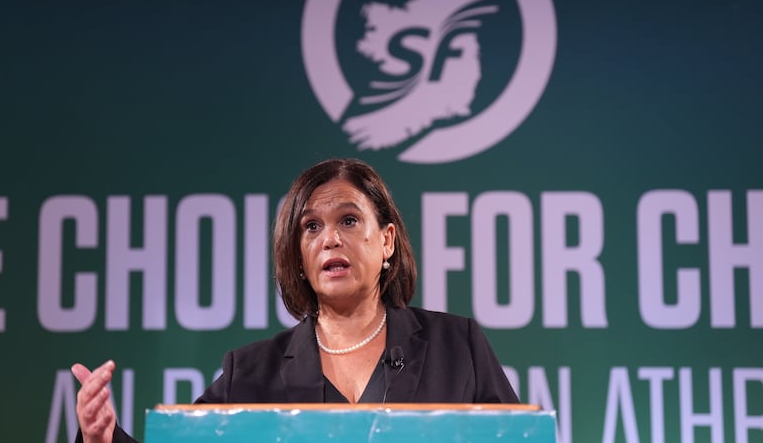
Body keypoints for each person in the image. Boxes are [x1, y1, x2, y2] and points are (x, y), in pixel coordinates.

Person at [72, 158, 518, 443]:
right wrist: (103, 437)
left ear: (386, 242)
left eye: (348, 219)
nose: (330, 239)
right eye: (311, 227)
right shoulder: (248, 374)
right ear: (298, 255)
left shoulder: (456, 346)